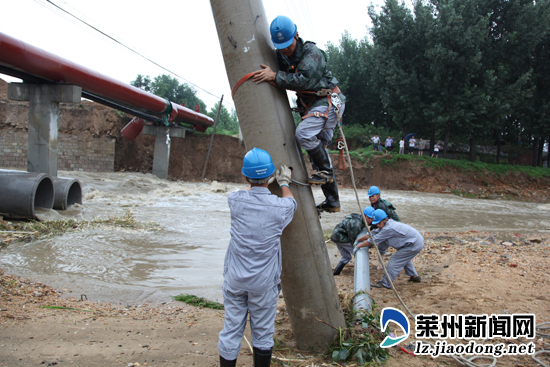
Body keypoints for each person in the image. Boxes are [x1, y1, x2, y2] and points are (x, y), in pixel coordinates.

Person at [253, 15, 346, 214]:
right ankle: (333, 201)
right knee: (318, 153)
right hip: (312, 105)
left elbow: (304, 80)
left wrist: (275, 76)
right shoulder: (282, 56)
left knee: (303, 134)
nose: (285, 49)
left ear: (297, 35)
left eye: (288, 45)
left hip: (328, 101)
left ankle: (327, 175)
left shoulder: (312, 53)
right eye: (281, 46)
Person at [218, 147, 297, 367]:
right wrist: (283, 182)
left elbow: (246, 190)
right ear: (269, 176)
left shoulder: (235, 200)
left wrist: (259, 181)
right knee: (262, 334)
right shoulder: (280, 207)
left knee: (231, 331)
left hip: (235, 279)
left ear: (245, 176)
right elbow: (291, 202)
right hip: (263, 283)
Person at [355, 209, 424, 289]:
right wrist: (358, 240)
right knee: (404, 258)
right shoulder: (386, 224)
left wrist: (358, 246)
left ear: (385, 219)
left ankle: (385, 283)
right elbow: (372, 233)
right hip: (413, 242)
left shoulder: (388, 228)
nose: (378, 225)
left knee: (394, 260)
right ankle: (414, 276)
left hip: (414, 244)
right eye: (376, 224)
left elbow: (372, 241)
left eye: (379, 223)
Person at [330, 207, 375, 275]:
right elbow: (354, 241)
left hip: (338, 236)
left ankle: (336, 273)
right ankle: (362, 273)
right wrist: (368, 245)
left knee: (346, 257)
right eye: (369, 218)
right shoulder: (356, 224)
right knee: (358, 253)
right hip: (340, 237)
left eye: (372, 219)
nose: (370, 220)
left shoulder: (360, 220)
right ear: (364, 216)